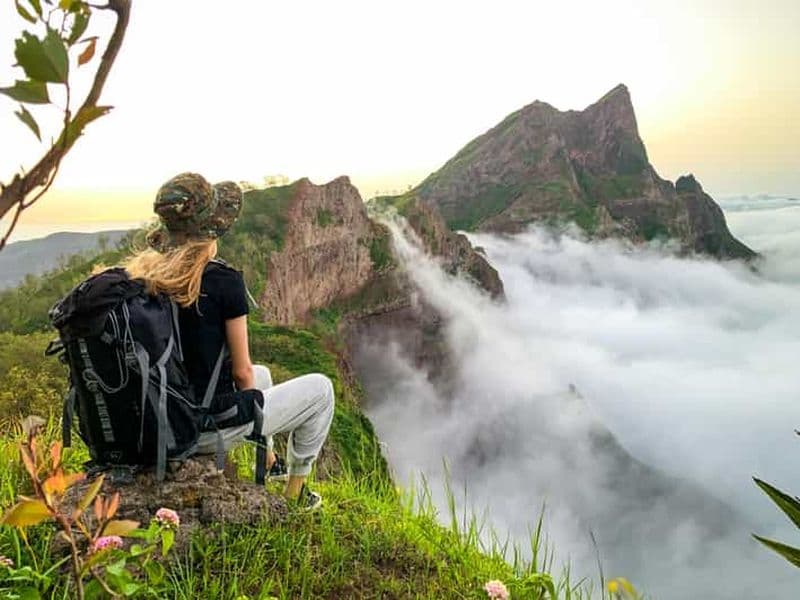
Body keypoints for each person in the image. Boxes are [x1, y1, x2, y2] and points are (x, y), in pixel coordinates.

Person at [122, 172, 334, 510]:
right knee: (321, 390)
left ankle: (269, 463)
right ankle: (295, 497)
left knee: (263, 375)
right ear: (211, 231)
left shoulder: (145, 278)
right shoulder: (223, 282)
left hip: (157, 418)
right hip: (199, 429)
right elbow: (241, 374)